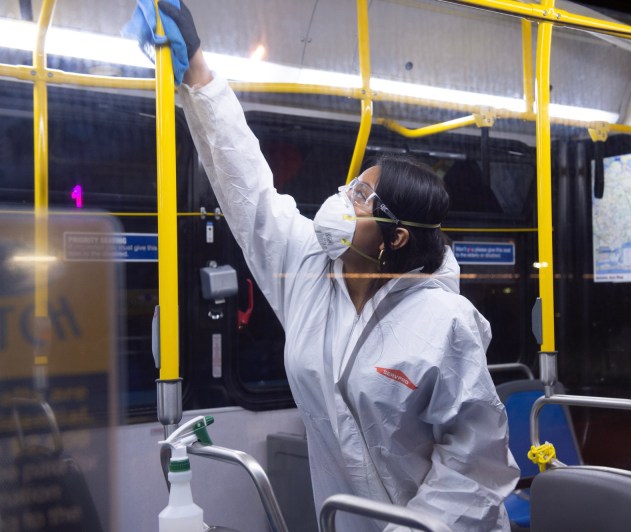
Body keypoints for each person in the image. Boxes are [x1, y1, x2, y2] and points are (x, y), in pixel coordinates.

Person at [150, 2, 520, 530]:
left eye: (362, 196)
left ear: (393, 239)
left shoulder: (446, 323)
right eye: (351, 186)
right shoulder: (309, 270)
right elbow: (247, 185)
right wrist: (197, 72)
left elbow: (474, 471)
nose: (343, 199)